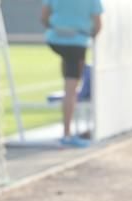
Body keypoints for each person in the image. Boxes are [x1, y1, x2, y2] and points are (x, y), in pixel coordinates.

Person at [41, 0, 102, 147]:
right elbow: (98, 25)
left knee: (68, 72)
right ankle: (67, 134)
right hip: (77, 43)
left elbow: (44, 17)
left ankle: (68, 74)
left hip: (55, 39)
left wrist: (59, 29)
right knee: (71, 90)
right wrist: (87, 34)